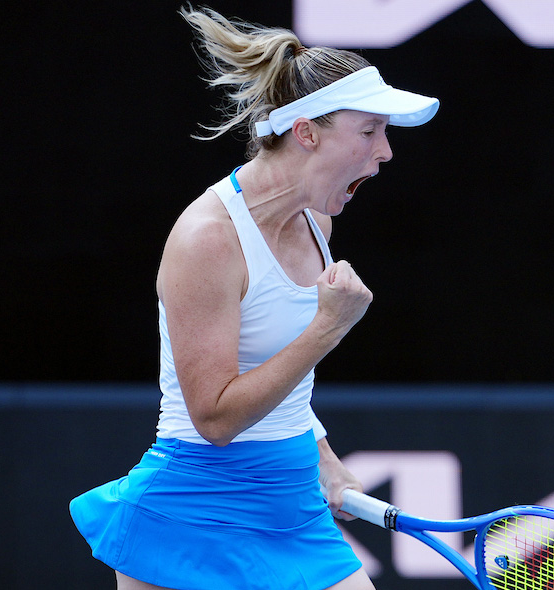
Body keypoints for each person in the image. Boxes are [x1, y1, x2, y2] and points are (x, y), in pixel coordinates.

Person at [69, 6, 439, 590]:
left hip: (291, 501)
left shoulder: (318, 219)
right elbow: (214, 418)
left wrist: (323, 460)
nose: (386, 151)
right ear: (307, 132)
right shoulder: (208, 240)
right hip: (193, 505)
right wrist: (327, 329)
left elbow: (280, 384)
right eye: (369, 131)